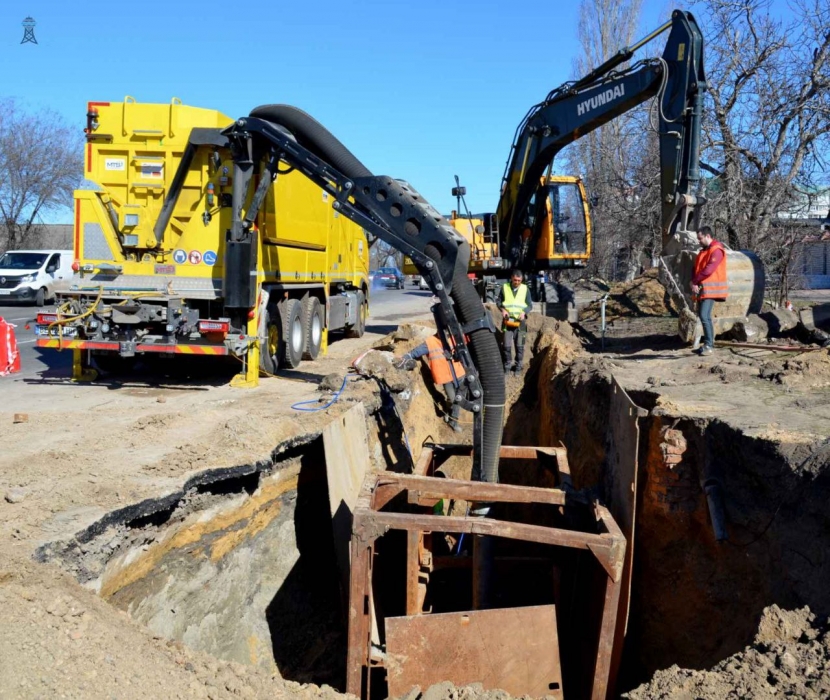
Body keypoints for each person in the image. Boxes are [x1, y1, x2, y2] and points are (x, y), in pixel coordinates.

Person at [399, 333, 465, 432]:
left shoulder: (454, 337)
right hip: (445, 378)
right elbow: (415, 352)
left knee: (458, 400)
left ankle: (450, 414)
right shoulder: (430, 342)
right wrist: (406, 356)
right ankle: (453, 421)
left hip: (459, 374)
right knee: (455, 400)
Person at [691, 225, 728, 356]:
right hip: (703, 288)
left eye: (700, 238)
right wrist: (693, 282)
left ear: (708, 236)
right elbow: (696, 268)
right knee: (703, 316)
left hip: (711, 289)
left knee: (704, 315)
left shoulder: (716, 250)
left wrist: (695, 281)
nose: (698, 241)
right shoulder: (704, 251)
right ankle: (707, 343)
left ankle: (709, 345)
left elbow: (709, 269)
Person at [497, 269, 532, 374]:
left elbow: (530, 305)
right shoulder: (505, 288)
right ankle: (507, 366)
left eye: (519, 280)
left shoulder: (525, 289)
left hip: (520, 322)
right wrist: (502, 310)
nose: (517, 282)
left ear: (521, 280)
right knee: (506, 345)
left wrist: (524, 313)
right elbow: (498, 301)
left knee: (520, 345)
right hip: (508, 321)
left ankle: (518, 367)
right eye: (515, 280)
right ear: (511, 278)